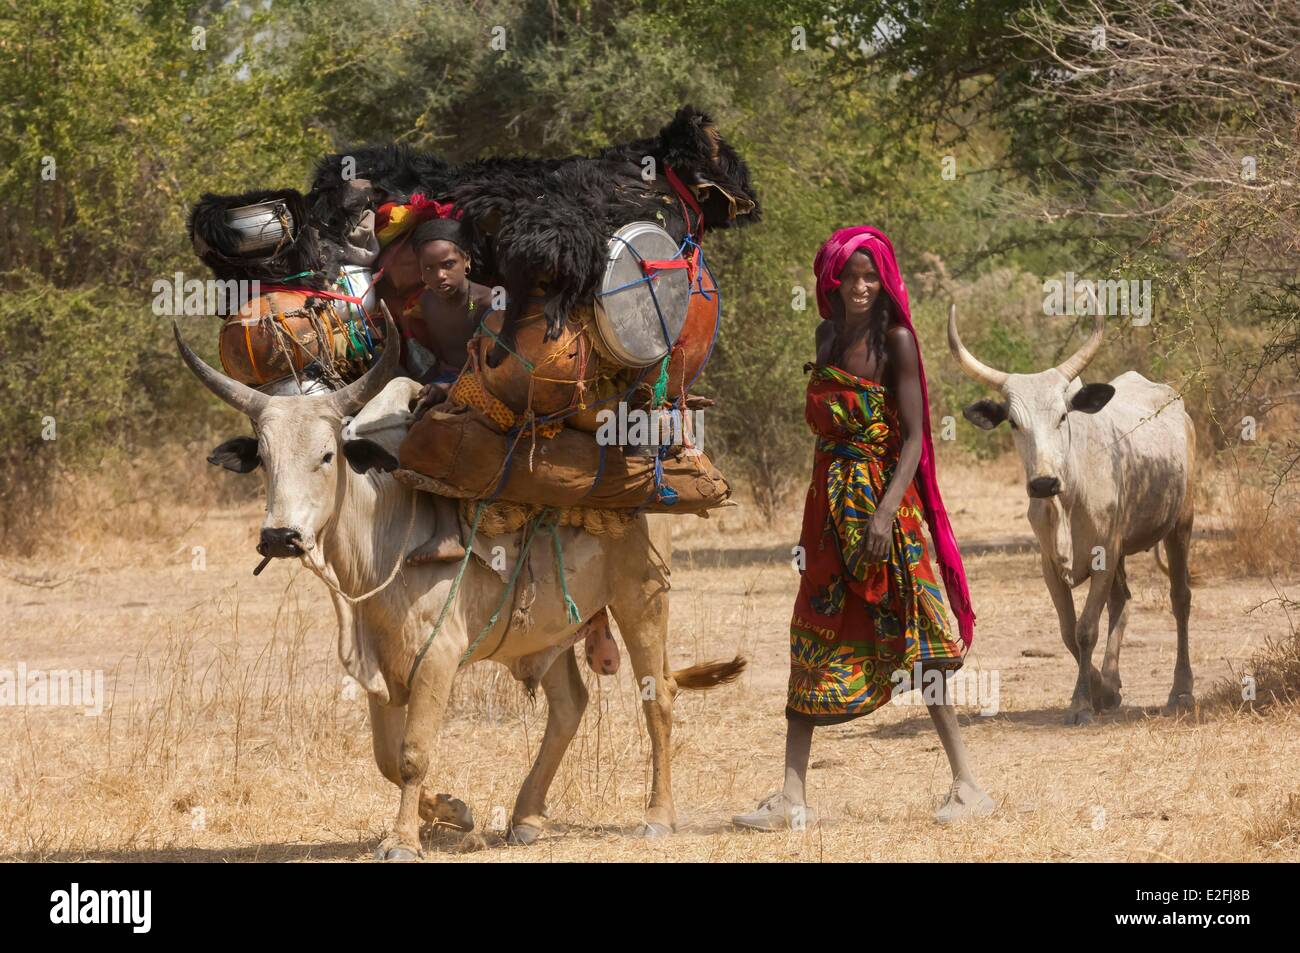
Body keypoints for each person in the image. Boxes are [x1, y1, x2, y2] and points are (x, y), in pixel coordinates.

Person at [732, 226, 994, 831]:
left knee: (918, 641)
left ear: (884, 282)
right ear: (835, 280)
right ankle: (792, 798)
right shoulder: (826, 336)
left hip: (884, 512)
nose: (860, 286)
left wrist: (882, 515)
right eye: (851, 276)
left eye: (870, 276)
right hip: (828, 510)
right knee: (810, 633)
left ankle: (967, 785)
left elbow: (914, 441)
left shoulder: (896, 341)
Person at [402, 217, 493, 565]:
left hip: (488, 384)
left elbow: (493, 363)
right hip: (446, 381)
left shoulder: (483, 303)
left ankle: (450, 533)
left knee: (433, 434)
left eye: (448, 265)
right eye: (430, 269)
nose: (440, 275)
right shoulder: (426, 304)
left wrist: (450, 387)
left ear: (466, 261)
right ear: (421, 273)